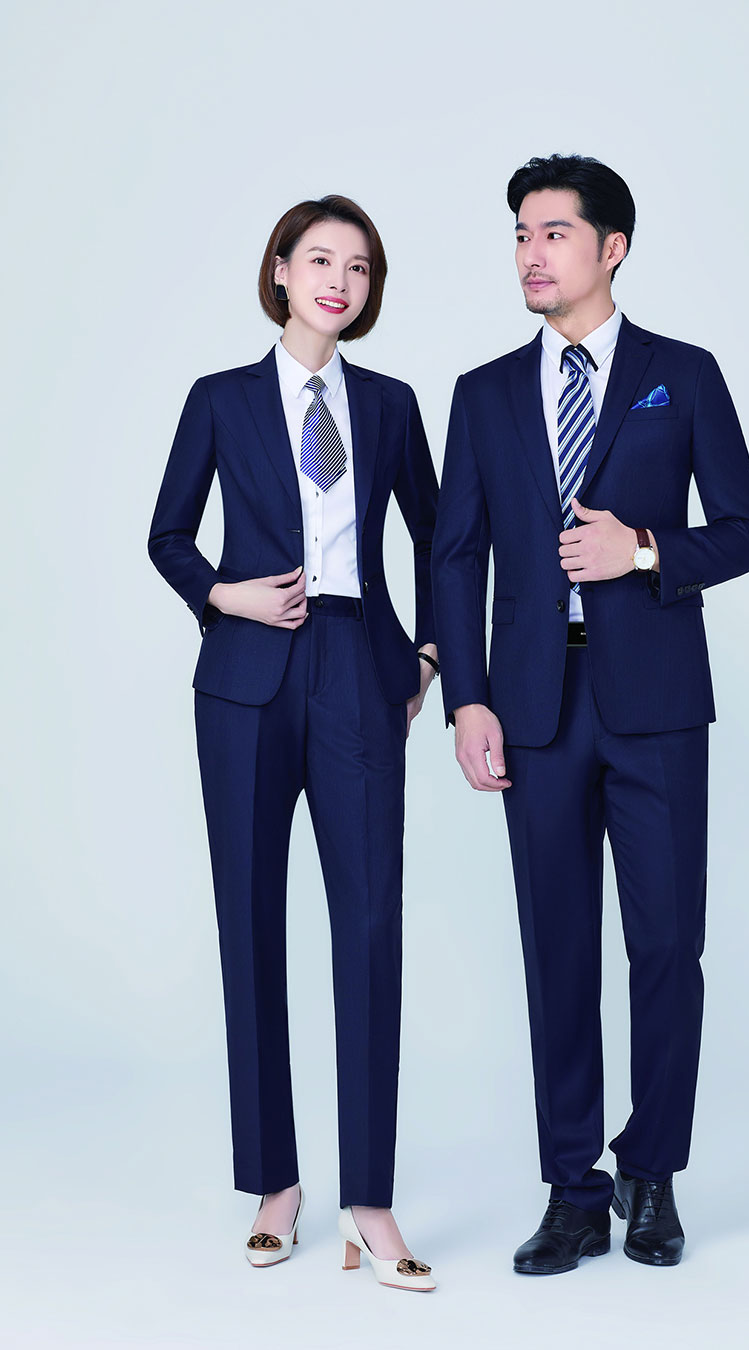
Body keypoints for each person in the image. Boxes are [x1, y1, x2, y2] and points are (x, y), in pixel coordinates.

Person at [431, 154, 749, 1273]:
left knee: (667, 946)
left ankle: (651, 1173)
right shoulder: (483, 393)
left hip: (656, 703)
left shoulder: (684, 374)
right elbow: (456, 555)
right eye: (521, 235)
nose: (531, 254)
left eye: (555, 233)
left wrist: (647, 550)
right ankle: (572, 1188)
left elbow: (746, 530)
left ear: (611, 247)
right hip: (532, 705)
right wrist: (467, 698)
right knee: (558, 948)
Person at [148, 194, 438, 1292]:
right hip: (247, 679)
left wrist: (426, 658)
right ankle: (275, 1181)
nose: (338, 281)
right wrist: (224, 594)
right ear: (279, 270)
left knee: (370, 926)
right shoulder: (220, 399)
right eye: (319, 259)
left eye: (358, 268)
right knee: (251, 921)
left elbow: (443, 538)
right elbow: (167, 534)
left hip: (360, 668)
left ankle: (371, 1198)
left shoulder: (392, 405)